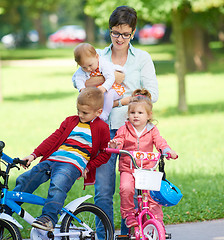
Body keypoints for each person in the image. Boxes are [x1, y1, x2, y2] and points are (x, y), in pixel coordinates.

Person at [81, 6, 159, 235]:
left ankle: (129, 234)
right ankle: (104, 235)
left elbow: (151, 94)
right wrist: (119, 101)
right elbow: (86, 93)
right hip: (104, 131)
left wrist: (125, 100)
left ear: (133, 33)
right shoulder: (99, 58)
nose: (120, 38)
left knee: (132, 188)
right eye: (115, 32)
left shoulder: (142, 58)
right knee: (103, 190)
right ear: (110, 30)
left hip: (134, 133)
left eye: (125, 34)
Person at [10, 87, 111, 231]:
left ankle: (49, 218)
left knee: (58, 185)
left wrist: (88, 167)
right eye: (78, 111)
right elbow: (53, 139)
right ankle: (6, 210)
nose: (80, 115)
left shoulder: (102, 127)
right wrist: (34, 155)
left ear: (98, 112)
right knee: (27, 178)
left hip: (72, 165)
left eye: (85, 113)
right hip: (53, 159)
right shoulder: (71, 121)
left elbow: (105, 153)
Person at [108, 89, 177, 228]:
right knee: (125, 188)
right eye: (132, 113)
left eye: (140, 113)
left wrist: (167, 151)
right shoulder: (124, 129)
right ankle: (128, 215)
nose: (136, 116)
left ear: (148, 115)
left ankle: (157, 222)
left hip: (147, 169)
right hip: (129, 168)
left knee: (152, 197)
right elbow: (119, 140)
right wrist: (116, 144)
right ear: (128, 114)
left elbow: (160, 142)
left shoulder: (152, 130)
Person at [72, 43, 125, 121]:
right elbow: (78, 79)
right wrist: (82, 89)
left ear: (97, 57)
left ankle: (105, 114)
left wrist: (104, 87)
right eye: (84, 67)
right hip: (97, 92)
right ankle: (89, 115)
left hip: (112, 88)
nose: (88, 69)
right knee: (88, 100)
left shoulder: (104, 64)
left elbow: (111, 77)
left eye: (90, 65)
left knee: (108, 94)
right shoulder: (82, 70)